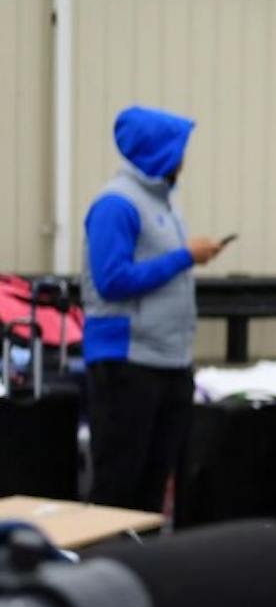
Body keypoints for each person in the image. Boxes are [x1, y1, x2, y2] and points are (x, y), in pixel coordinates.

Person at [80, 105, 223, 512]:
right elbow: (111, 282)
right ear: (159, 151)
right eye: (179, 148)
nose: (184, 159)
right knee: (118, 481)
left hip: (168, 361)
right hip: (127, 362)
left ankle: (144, 569)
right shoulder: (116, 204)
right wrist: (184, 256)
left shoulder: (162, 203)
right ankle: (104, 568)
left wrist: (187, 255)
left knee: (153, 482)